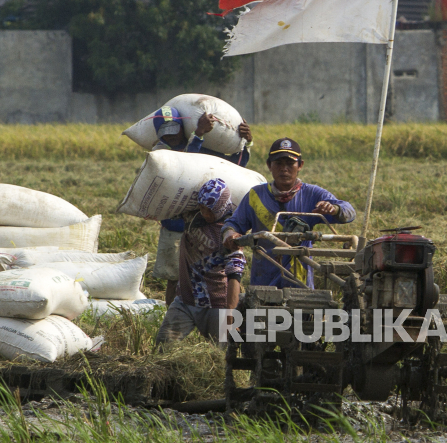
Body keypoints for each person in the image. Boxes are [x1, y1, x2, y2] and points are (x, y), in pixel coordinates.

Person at [149, 105, 253, 305]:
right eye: (166, 134)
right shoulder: (161, 152)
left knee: (215, 271)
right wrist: (198, 134)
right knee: (175, 276)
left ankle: (215, 313)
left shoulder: (205, 147)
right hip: (175, 226)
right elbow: (188, 165)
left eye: (175, 131)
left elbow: (233, 168)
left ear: (182, 127)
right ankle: (174, 312)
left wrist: (246, 143)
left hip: (207, 226)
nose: (171, 137)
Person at [222, 138, 356, 289]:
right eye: (278, 163)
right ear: (269, 165)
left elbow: (349, 211)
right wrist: (230, 233)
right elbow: (233, 223)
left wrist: (334, 209)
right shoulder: (256, 196)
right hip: (264, 281)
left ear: (300, 165)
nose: (284, 169)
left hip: (299, 282)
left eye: (290, 163)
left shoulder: (312, 194)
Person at [155, 179, 246, 345]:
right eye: (202, 208)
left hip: (217, 304)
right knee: (163, 344)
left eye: (210, 210)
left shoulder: (229, 234)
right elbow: (167, 209)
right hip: (185, 300)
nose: (205, 214)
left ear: (221, 207)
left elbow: (235, 275)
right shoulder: (192, 217)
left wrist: (231, 312)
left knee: (222, 356)